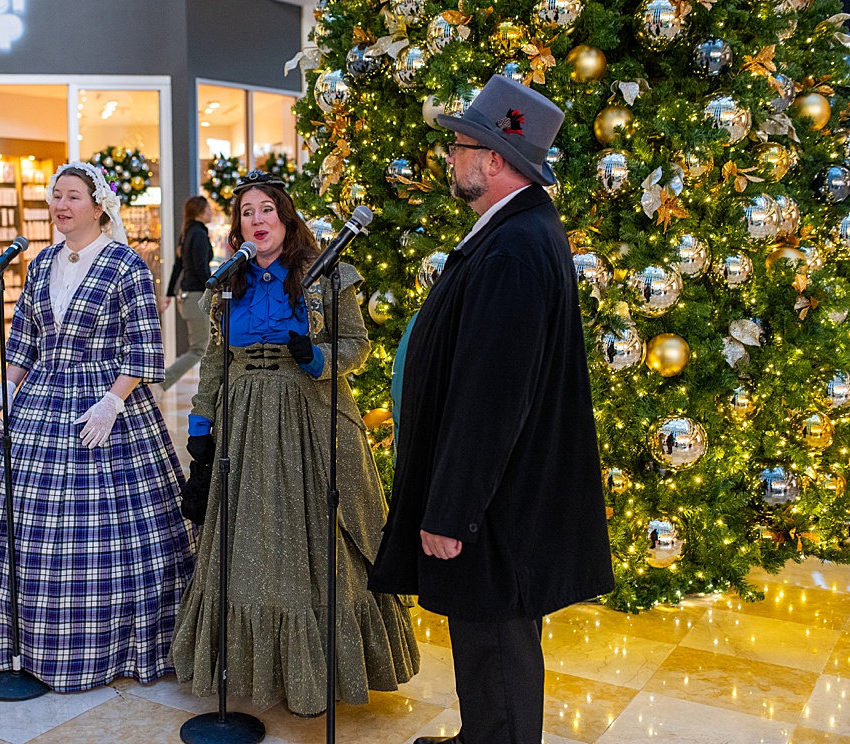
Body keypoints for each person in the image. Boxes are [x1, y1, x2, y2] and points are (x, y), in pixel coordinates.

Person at [370, 76, 615, 744]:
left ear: (495, 159)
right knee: (486, 639)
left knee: (497, 642)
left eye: (460, 146)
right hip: (499, 501)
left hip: (493, 507)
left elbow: (491, 397)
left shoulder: (512, 247)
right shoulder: (514, 229)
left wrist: (451, 511)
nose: (450, 157)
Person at [170, 170, 419, 717]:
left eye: (266, 210)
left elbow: (356, 344)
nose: (256, 221)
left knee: (315, 544)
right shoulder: (226, 283)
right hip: (245, 427)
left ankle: (318, 675)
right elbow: (215, 361)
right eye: (246, 213)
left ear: (286, 217)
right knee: (253, 547)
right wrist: (202, 425)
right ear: (236, 225)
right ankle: (259, 671)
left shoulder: (328, 275)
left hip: (311, 418)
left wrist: (317, 357)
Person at [0, 162, 193, 689]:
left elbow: (145, 347)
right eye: (55, 196)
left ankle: (116, 644)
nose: (61, 205)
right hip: (42, 399)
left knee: (108, 529)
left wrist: (112, 402)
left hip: (108, 403)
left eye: (72, 196)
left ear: (98, 205)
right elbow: (23, 335)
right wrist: (9, 386)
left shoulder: (126, 265)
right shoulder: (39, 264)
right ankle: (23, 640)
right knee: (23, 523)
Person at [160, 196, 214, 389]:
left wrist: (169, 294)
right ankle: (164, 381)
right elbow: (201, 268)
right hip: (196, 296)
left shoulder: (188, 233)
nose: (211, 211)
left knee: (204, 346)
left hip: (187, 297)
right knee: (199, 348)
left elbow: (178, 266)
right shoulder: (198, 234)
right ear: (200, 210)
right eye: (208, 208)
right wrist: (213, 288)